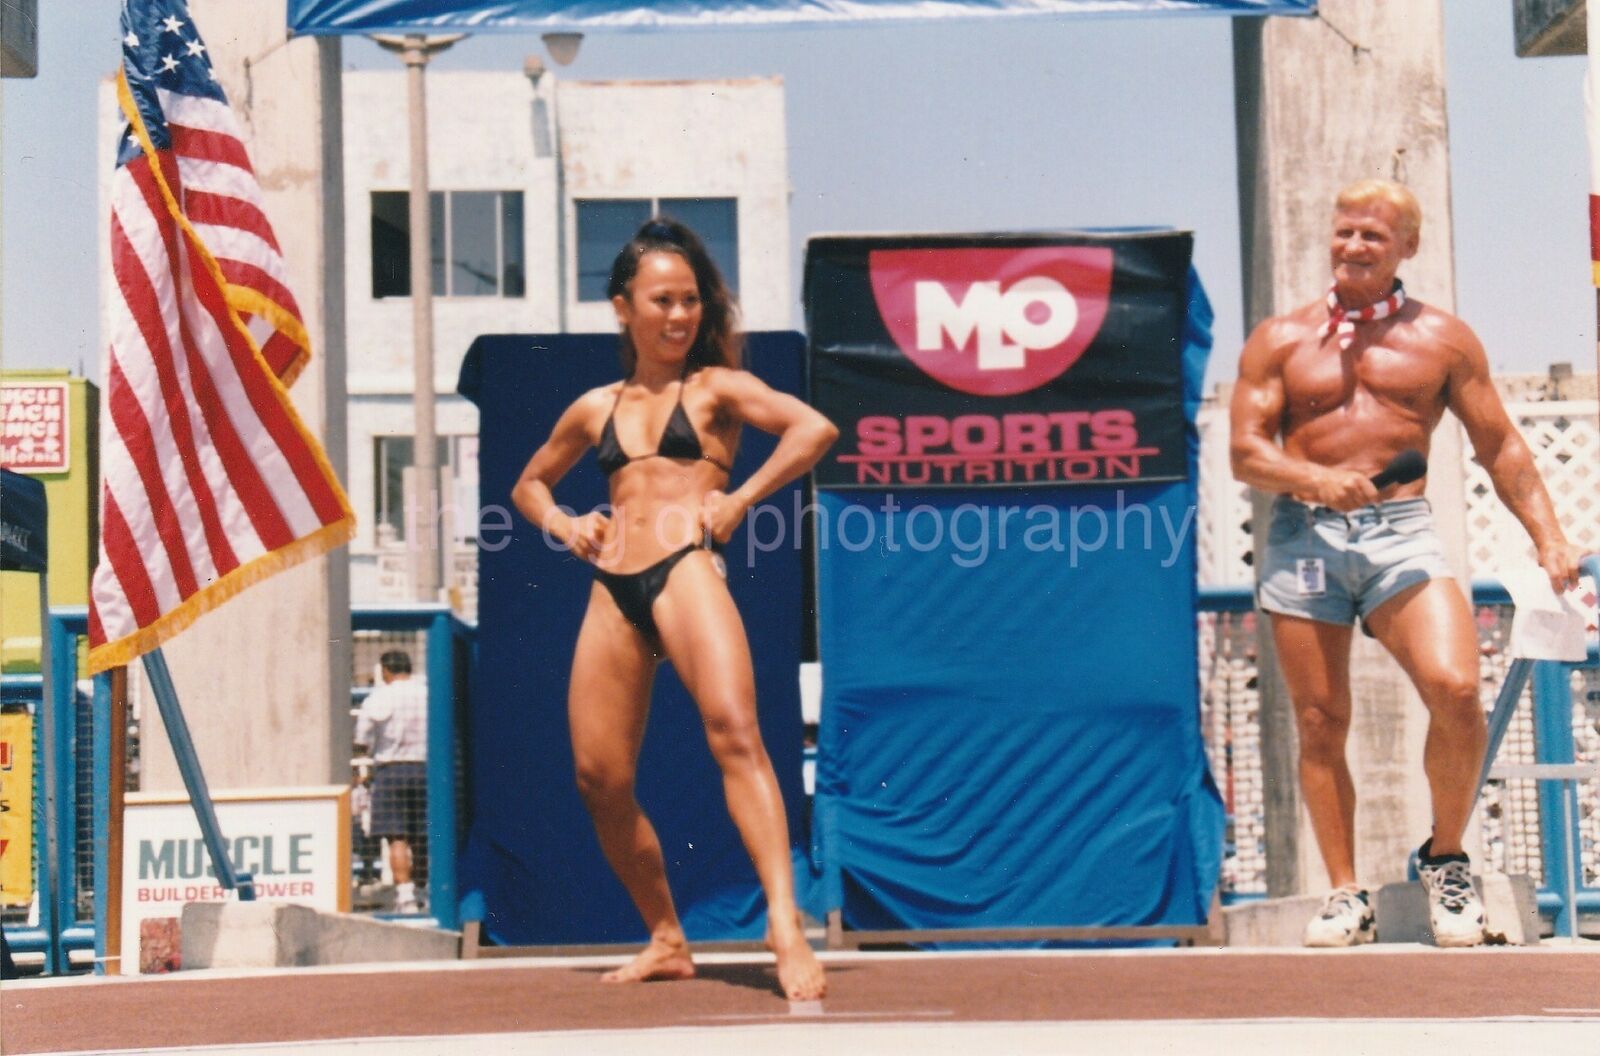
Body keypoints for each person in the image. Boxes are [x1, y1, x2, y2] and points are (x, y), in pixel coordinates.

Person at [1230, 179, 1588, 948]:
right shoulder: (1281, 339)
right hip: (1305, 536)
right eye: (1346, 231)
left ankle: (1446, 857)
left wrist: (1549, 536)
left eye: (1374, 236)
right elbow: (1246, 452)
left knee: (1457, 689)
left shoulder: (1444, 339)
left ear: (1407, 248)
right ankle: (1344, 893)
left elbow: (1501, 445)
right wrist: (1312, 478)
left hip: (1400, 533)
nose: (1355, 246)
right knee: (1322, 721)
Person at [512, 218, 836, 1000]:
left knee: (735, 732)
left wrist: (739, 500)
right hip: (614, 585)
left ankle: (785, 926)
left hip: (687, 567)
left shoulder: (716, 388)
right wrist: (565, 522)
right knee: (599, 776)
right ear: (624, 307)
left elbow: (813, 429)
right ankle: (666, 938)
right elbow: (529, 485)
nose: (681, 315)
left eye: (692, 300)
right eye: (663, 300)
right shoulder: (595, 407)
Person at [354, 649, 429, 914]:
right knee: (422, 835)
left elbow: (362, 741)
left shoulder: (378, 698)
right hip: (426, 769)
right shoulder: (427, 694)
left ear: (385, 670)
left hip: (391, 770)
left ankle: (405, 895)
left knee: (396, 836)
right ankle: (423, 891)